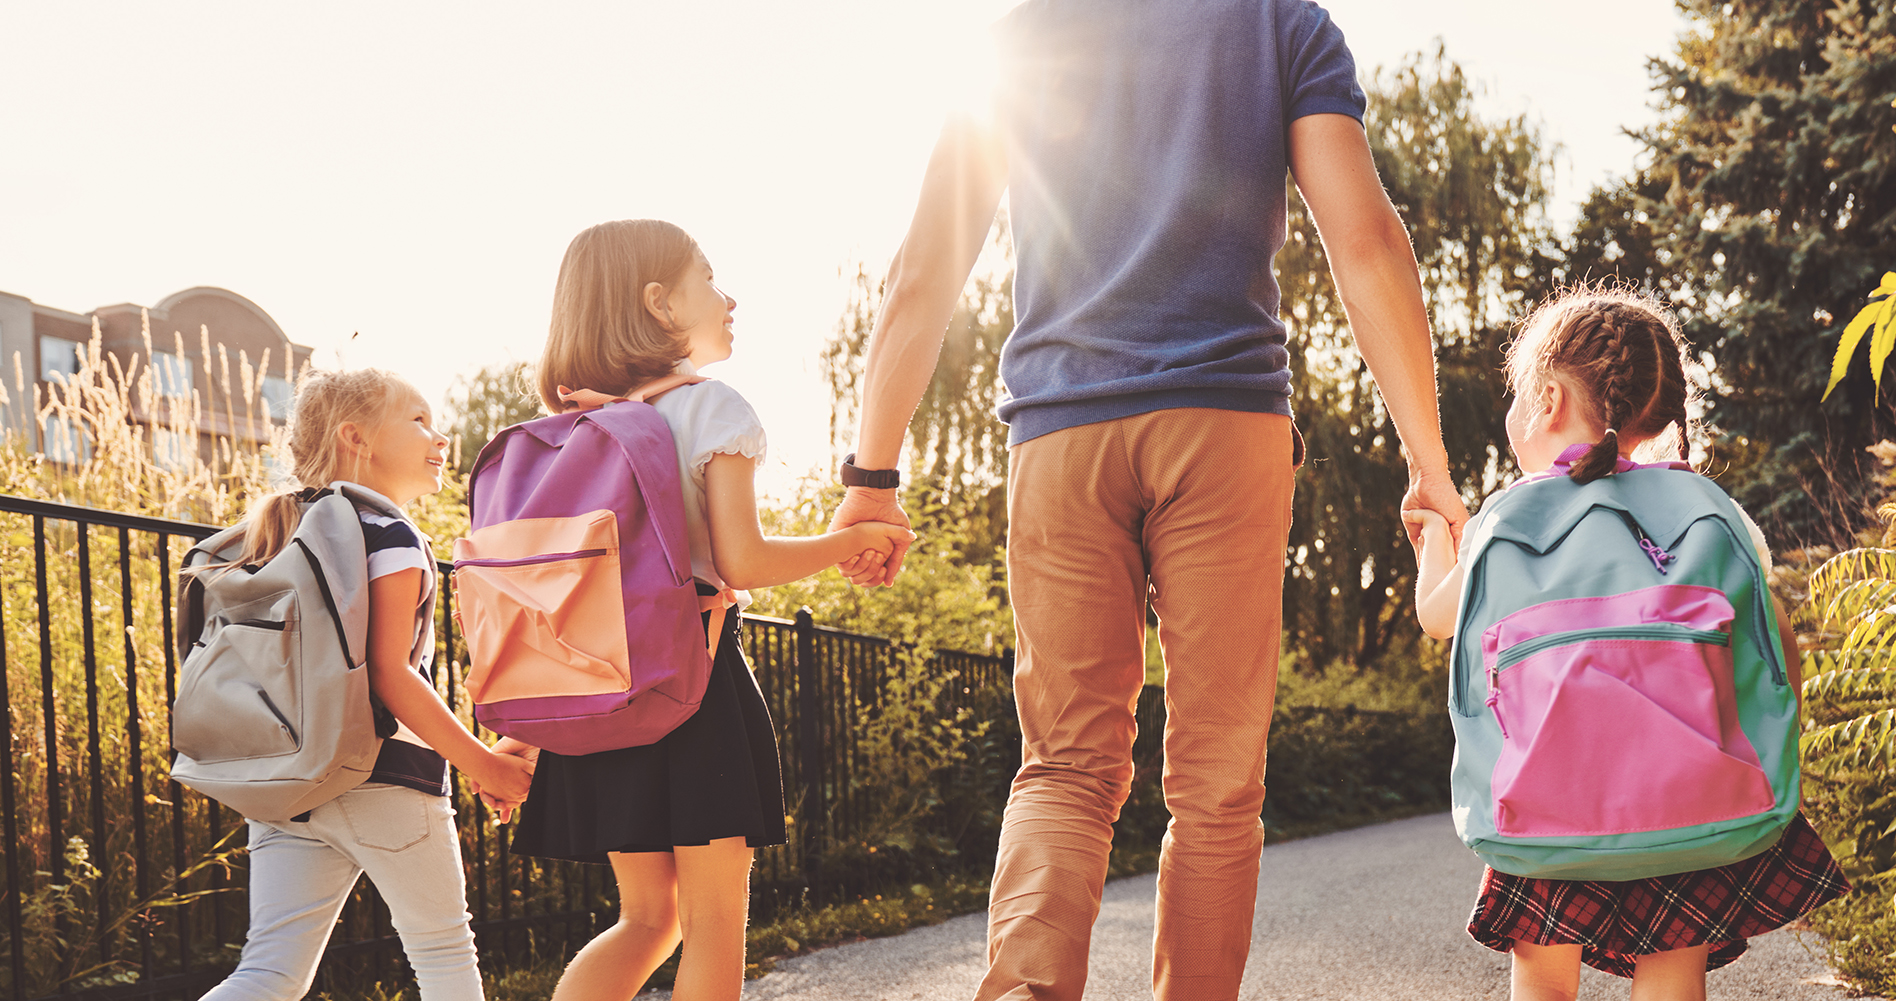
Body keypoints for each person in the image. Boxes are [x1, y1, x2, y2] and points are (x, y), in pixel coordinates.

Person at [827, 2, 1466, 997]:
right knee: (1216, 784)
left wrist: (870, 478)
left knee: (1065, 764)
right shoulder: (1276, 23)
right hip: (1225, 426)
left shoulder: (1026, 31)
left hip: (1061, 432)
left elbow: (925, 269)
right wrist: (1427, 458)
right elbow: (1367, 239)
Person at [487, 219, 911, 1001]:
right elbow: (742, 560)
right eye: (710, 279)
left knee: (646, 919)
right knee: (714, 928)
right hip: (695, 690)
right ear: (659, 303)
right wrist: (854, 537)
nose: (729, 296)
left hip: (602, 701)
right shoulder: (709, 409)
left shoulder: (566, 431)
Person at [1405, 288, 1849, 1001]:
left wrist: (1433, 539)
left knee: (1544, 984)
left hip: (1545, 801)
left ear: (1547, 400)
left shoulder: (1508, 517)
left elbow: (1438, 616)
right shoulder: (1706, 507)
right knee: (1672, 981)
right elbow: (1776, 645)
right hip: (1693, 796)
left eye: (1519, 394)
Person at [200, 368, 535, 1001]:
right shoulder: (390, 533)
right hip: (384, 776)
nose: (441, 437)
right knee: (443, 955)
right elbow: (391, 674)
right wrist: (482, 764)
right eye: (418, 420)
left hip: (286, 782)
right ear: (358, 438)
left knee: (269, 973)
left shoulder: (274, 531)